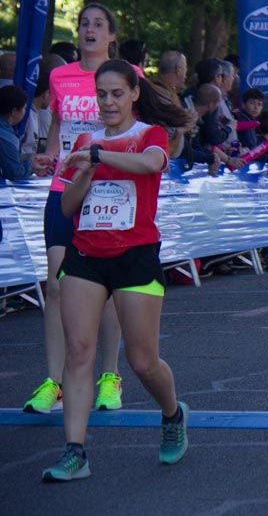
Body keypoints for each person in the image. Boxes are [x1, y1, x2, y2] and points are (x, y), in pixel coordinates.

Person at [41, 59, 192, 481]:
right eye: (101, 94)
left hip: (134, 255)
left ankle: (172, 413)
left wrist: (99, 155)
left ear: (134, 94)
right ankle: (75, 452)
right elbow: (69, 207)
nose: (108, 102)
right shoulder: (87, 140)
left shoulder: (149, 134)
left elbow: (151, 165)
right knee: (78, 353)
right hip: (87, 254)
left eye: (116, 94)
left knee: (143, 362)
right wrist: (86, 171)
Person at [24, 4, 129, 416]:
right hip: (64, 187)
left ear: (110, 36)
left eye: (98, 25)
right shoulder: (60, 76)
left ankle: (109, 377)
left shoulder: (126, 75)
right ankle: (54, 382)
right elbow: (58, 128)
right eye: (84, 24)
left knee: (101, 291)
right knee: (56, 286)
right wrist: (47, 156)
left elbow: (137, 130)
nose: (89, 30)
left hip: (107, 191)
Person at [0, 86, 52, 181]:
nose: (25, 112)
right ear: (14, 111)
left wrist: (31, 160)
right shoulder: (6, 136)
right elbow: (15, 173)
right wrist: (31, 165)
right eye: (24, 108)